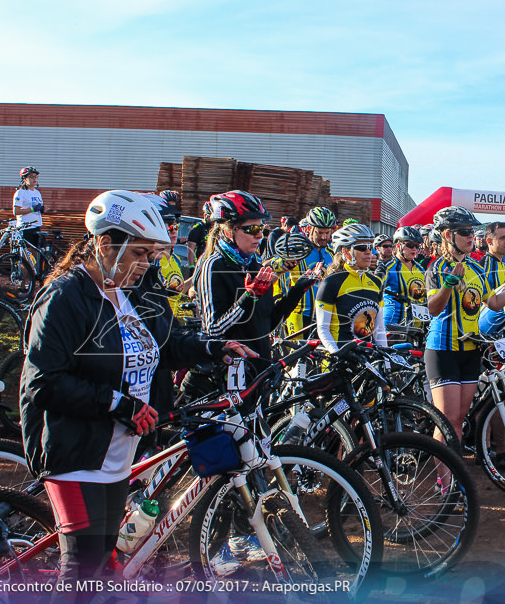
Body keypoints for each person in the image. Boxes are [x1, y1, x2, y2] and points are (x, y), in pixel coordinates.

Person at [21, 190, 255, 589]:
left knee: (105, 563)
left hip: (116, 455)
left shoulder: (128, 293)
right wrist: (119, 404)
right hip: (77, 453)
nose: (147, 264)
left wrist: (213, 348)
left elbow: (164, 345)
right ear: (105, 244)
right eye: (140, 254)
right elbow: (41, 382)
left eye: (150, 255)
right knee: (82, 571)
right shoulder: (64, 296)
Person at [425, 206, 505, 445]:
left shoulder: (476, 268)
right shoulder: (437, 268)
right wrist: (448, 284)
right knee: (446, 420)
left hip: (470, 352)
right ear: (448, 236)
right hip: (442, 350)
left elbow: (496, 303)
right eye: (465, 231)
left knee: (458, 420)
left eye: (472, 231)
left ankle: (453, 478)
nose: (471, 236)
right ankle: (441, 482)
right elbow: (433, 309)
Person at [194, 191, 317, 360]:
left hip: (260, 364)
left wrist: (297, 290)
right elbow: (213, 330)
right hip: (230, 370)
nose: (260, 235)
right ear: (229, 231)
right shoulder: (214, 265)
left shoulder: (254, 264)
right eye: (252, 229)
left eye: (261, 227)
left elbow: (267, 324)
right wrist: (250, 297)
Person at [315, 224, 387, 351]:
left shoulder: (376, 282)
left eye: (370, 247)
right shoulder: (331, 282)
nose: (368, 252)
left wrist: (386, 360)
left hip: (366, 357)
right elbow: (323, 328)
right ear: (346, 252)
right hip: (339, 356)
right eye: (361, 247)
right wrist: (336, 353)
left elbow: (379, 328)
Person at [283, 206, 336, 335]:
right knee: (296, 353)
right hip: (298, 313)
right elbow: (277, 274)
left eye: (327, 232)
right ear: (309, 229)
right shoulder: (297, 250)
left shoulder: (333, 253)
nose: (324, 237)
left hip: (324, 316)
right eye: (319, 232)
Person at [378, 226, 427, 326]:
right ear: (397, 245)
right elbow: (374, 291)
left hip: (418, 326)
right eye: (410, 245)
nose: (414, 249)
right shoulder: (388, 267)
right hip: (394, 324)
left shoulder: (420, 269)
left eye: (417, 246)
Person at [13, 166, 45, 248]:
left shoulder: (37, 193)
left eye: (35, 177)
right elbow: (16, 211)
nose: (34, 179)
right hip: (26, 227)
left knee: (39, 253)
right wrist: (32, 209)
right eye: (31, 177)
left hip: (37, 226)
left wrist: (42, 210)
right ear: (24, 179)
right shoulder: (20, 192)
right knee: (27, 253)